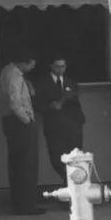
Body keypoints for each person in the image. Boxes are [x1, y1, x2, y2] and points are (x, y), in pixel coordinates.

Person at [0, 51, 43, 215]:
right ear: (24, 63)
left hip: (10, 122)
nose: (33, 66)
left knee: (16, 164)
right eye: (31, 63)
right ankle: (26, 204)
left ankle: (18, 202)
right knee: (27, 164)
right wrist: (27, 120)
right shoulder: (15, 77)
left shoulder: (6, 71)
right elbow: (14, 102)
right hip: (19, 121)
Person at [32, 55, 85, 187]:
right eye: (57, 66)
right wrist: (49, 106)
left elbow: (76, 104)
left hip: (72, 126)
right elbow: (36, 104)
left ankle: (73, 187)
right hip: (53, 126)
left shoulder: (71, 82)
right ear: (51, 66)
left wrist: (79, 122)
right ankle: (69, 182)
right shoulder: (41, 83)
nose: (60, 69)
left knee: (75, 158)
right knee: (57, 158)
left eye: (63, 66)